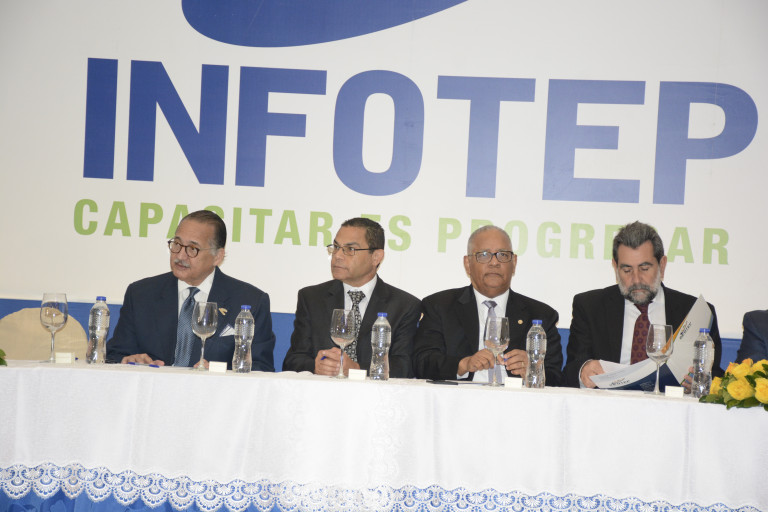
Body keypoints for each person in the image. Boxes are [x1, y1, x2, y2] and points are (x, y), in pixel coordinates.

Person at [106, 210, 275, 370]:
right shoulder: (141, 294)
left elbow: (261, 368)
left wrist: (219, 372)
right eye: (177, 244)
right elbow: (114, 356)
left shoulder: (250, 301)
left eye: (192, 249)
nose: (180, 256)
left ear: (217, 256)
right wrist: (128, 360)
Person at [564, 221, 723, 388]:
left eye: (644, 268)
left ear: (662, 265)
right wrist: (583, 371)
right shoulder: (590, 307)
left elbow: (715, 374)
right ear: (615, 268)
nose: (636, 279)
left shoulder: (695, 312)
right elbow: (569, 372)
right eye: (627, 270)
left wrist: (702, 382)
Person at [413, 225, 563, 385]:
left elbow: (557, 377)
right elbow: (422, 363)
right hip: (458, 397)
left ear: (514, 262)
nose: (494, 262)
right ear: (467, 263)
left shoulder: (541, 315)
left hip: (518, 398)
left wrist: (533, 369)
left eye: (503, 255)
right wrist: (463, 365)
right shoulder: (440, 306)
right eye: (484, 255)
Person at [282, 217, 421, 377]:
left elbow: (404, 367)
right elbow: (292, 361)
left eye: (350, 249)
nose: (337, 256)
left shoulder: (404, 306)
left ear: (376, 257)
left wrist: (357, 369)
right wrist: (315, 366)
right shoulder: (312, 298)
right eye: (336, 247)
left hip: (376, 393)